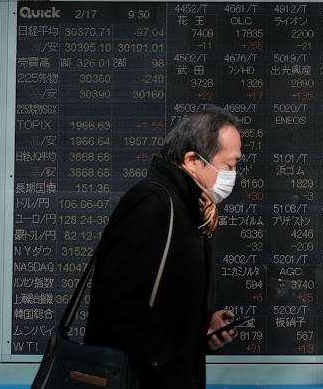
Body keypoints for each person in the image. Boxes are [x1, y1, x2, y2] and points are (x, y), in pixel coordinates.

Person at [85, 106, 242, 388]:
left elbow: (162, 302)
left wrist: (203, 327)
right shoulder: (154, 202)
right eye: (229, 165)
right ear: (193, 160)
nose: (232, 174)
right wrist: (167, 365)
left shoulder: (190, 211)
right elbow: (118, 304)